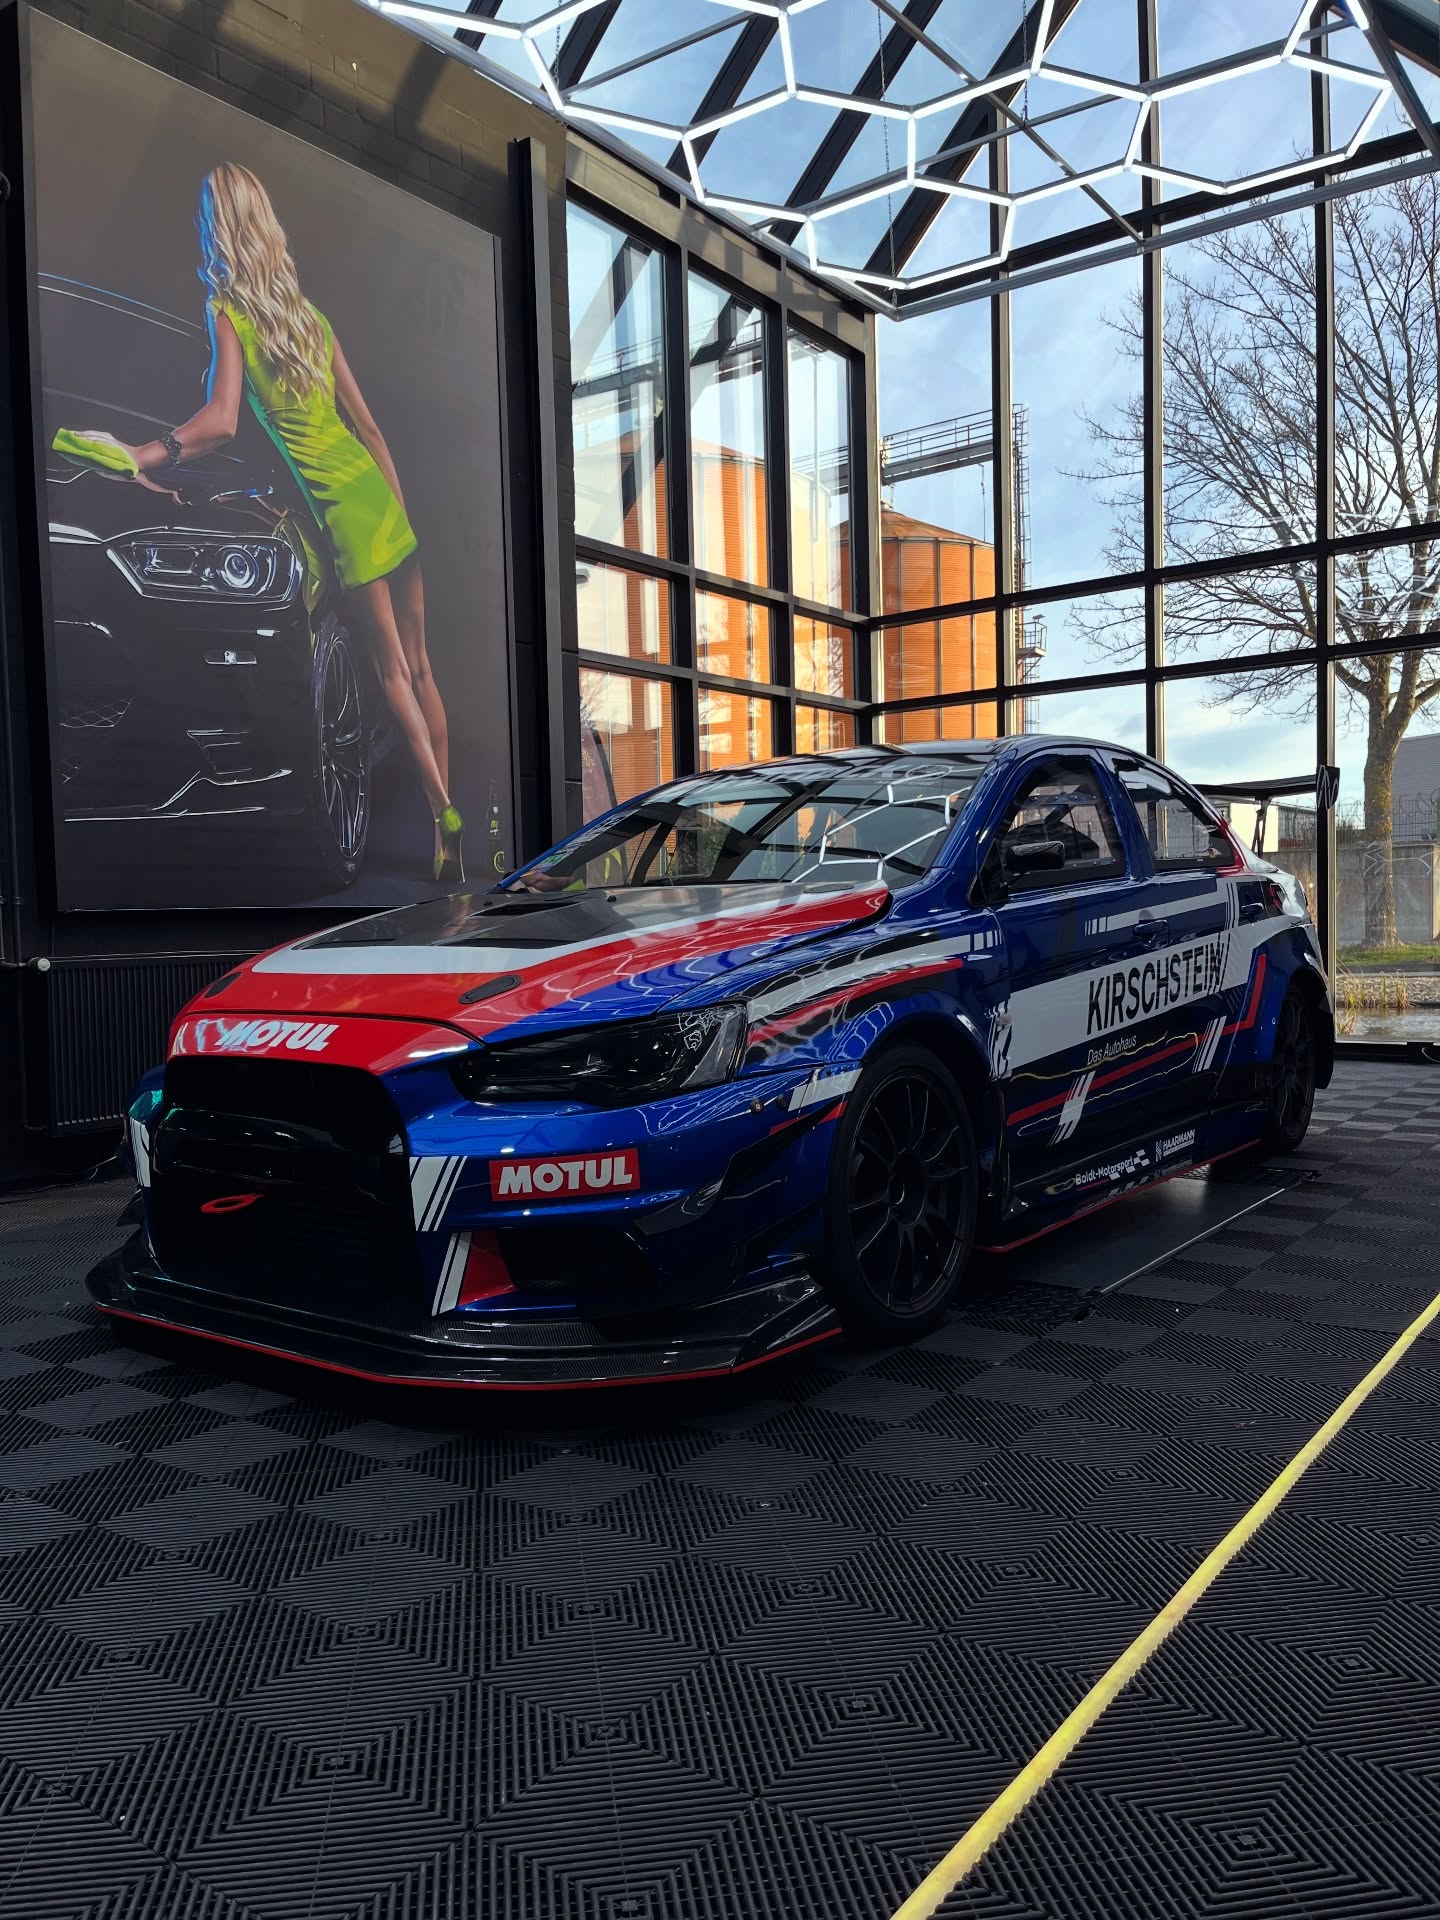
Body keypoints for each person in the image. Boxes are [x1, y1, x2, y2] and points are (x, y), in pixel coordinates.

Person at [54, 162, 463, 883]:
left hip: (342, 513)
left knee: (391, 670)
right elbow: (370, 430)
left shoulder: (229, 313)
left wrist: (143, 453)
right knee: (424, 667)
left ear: (217, 229)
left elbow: (219, 422)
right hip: (382, 501)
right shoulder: (312, 319)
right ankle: (443, 837)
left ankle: (445, 809)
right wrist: (398, 511)